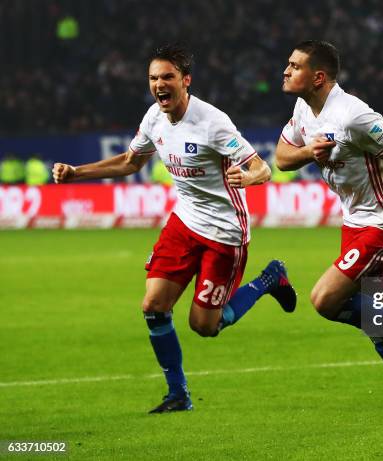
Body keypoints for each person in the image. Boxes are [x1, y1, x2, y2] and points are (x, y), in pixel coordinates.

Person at [53, 44, 297, 414]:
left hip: (223, 232)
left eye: (167, 77)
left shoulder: (213, 123)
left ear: (186, 81)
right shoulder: (154, 118)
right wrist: (77, 173)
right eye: (153, 78)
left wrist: (247, 177)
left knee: (205, 326)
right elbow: (131, 161)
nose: (159, 84)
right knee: (153, 306)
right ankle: (178, 394)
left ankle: (269, 280)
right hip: (184, 222)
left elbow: (262, 167)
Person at [275, 40, 383, 424]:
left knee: (324, 300)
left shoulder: (353, 116)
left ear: (317, 77)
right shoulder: (304, 107)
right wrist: (308, 152)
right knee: (373, 321)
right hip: (355, 222)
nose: (285, 71)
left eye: (294, 66)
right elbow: (283, 158)